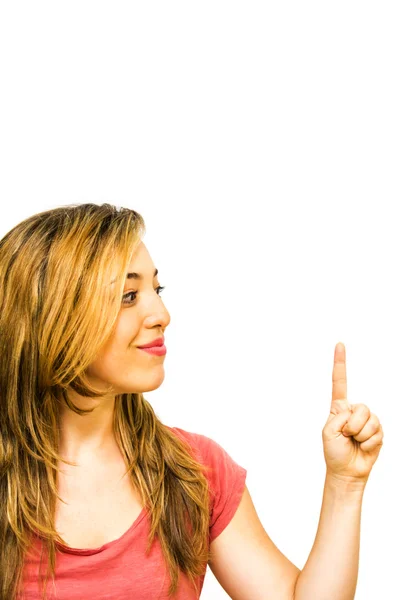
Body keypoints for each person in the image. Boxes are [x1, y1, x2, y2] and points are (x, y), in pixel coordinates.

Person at [0, 203, 384, 600]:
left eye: (157, 289)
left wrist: (345, 484)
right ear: (52, 318)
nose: (162, 314)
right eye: (129, 296)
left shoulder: (193, 472)